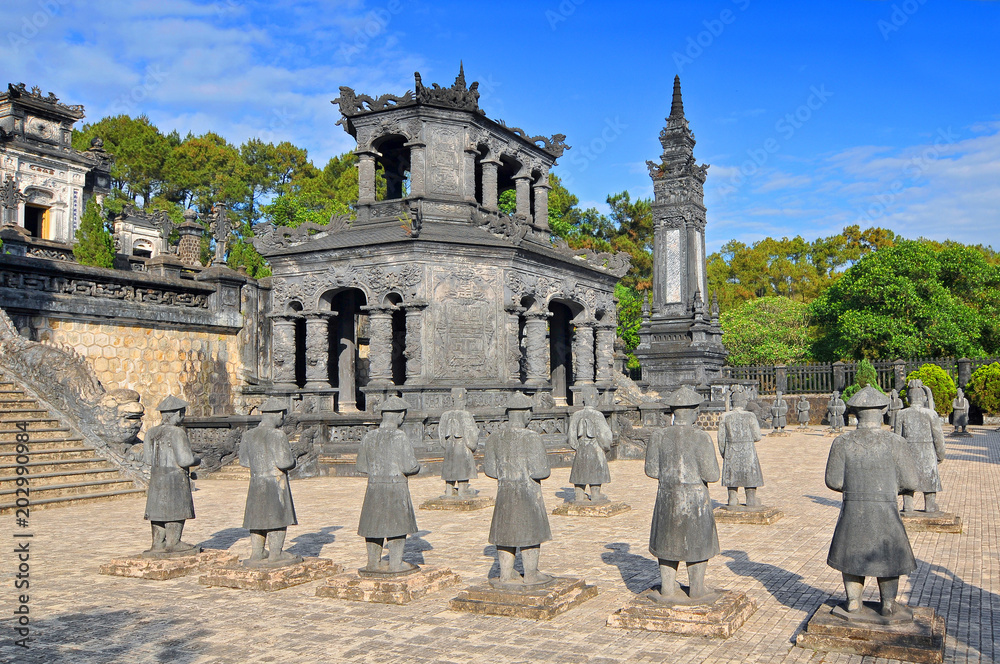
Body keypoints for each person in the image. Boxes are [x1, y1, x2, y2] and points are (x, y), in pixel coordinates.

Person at [825, 386, 918, 619]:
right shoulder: (895, 442)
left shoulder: (842, 442)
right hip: (885, 507)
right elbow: (911, 481)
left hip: (854, 509)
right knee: (888, 556)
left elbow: (834, 481)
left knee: (852, 554)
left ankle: (853, 602)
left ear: (854, 411)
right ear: (884, 410)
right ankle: (887, 603)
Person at [646, 386, 720, 603]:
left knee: (667, 542)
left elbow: (651, 470)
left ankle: (668, 588)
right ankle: (697, 588)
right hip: (695, 498)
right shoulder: (701, 437)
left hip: (667, 496)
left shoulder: (658, 435)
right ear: (695, 411)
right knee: (697, 541)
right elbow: (712, 474)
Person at [483, 392, 553, 586]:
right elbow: (541, 471)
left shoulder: (495, 438)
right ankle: (531, 573)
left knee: (505, 531)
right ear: (526, 414)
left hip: (504, 491)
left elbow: (490, 469)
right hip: (527, 492)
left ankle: (505, 573)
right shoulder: (532, 438)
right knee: (531, 531)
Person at [357, 396, 420, 573]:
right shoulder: (400, 437)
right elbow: (409, 466)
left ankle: (372, 563)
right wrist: (417, 467)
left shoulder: (369, 437)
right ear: (400, 415)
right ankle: (395, 563)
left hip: (374, 487)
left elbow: (361, 466)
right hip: (396, 487)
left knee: (373, 525)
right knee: (397, 525)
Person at [240, 397, 301, 567]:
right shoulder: (277, 435)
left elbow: (244, 461)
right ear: (279, 414)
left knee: (256, 517)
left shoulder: (248, 434)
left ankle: (257, 552)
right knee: (278, 516)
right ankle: (276, 553)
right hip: (275, 481)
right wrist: (293, 460)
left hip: (256, 481)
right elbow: (284, 462)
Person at [143, 396, 200, 555]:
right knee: (176, 508)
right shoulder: (177, 432)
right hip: (175, 477)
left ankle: (157, 543)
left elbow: (147, 459)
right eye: (182, 413)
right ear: (177, 414)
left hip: (157, 477)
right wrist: (197, 459)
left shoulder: (151, 432)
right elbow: (185, 460)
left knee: (158, 510)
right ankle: (174, 542)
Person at [893, 380, 946, 513]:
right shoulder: (930, 414)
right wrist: (940, 455)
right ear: (923, 398)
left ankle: (908, 505)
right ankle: (930, 505)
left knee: (908, 478)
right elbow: (938, 437)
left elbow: (897, 439)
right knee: (929, 479)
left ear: (907, 398)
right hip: (927, 452)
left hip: (908, 451)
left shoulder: (901, 414)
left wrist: (897, 457)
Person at [717, 388, 764, 508]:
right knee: (750, 474)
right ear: (744, 402)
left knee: (732, 474)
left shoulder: (725, 416)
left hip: (731, 451)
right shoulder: (750, 416)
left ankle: (732, 498)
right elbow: (757, 436)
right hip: (748, 450)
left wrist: (724, 453)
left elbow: (721, 439)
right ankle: (751, 499)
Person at [566, 386, 613, 503]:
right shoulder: (598, 415)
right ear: (595, 399)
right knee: (595, 471)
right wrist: (605, 447)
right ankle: (595, 494)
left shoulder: (576, 415)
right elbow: (605, 434)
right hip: (595, 447)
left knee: (580, 470)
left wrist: (577, 446)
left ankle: (579, 495)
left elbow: (570, 436)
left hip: (581, 448)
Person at [439, 388, 480, 498]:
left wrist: (447, 445)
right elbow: (471, 432)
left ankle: (449, 489)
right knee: (463, 465)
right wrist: (472, 444)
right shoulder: (466, 415)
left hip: (449, 447)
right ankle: (463, 489)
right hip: (462, 447)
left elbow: (441, 435)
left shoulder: (445, 415)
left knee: (449, 465)